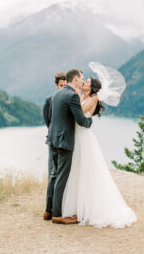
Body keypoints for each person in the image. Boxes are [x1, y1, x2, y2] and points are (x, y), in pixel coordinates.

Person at [62, 75, 137, 228]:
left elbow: (80, 111)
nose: (84, 83)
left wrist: (75, 96)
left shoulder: (93, 98)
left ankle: (90, 209)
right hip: (77, 135)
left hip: (84, 137)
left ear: (92, 87)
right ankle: (79, 208)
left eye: (87, 82)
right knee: (77, 170)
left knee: (88, 172)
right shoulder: (83, 96)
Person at [44, 69, 92, 224]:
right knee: (61, 177)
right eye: (82, 78)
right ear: (76, 79)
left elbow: (51, 118)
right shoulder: (71, 95)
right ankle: (57, 215)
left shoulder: (56, 94)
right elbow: (80, 120)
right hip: (64, 142)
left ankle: (49, 210)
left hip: (53, 140)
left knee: (55, 175)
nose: (82, 81)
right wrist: (90, 119)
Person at [43, 72, 66, 220]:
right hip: (53, 141)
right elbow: (48, 121)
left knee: (61, 175)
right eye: (61, 86)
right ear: (57, 85)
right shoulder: (49, 100)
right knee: (53, 174)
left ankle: (60, 207)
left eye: (65, 85)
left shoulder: (68, 99)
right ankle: (48, 209)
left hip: (64, 142)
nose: (63, 88)